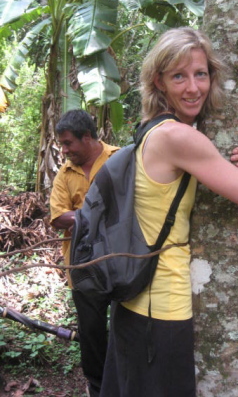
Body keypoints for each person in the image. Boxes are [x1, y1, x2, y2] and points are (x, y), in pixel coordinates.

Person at [100, 27, 238, 397]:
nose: (193, 87)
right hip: (160, 311)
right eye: (178, 76)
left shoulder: (152, 130)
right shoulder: (179, 138)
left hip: (133, 304)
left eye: (200, 74)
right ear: (159, 81)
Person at [49, 109, 119, 397]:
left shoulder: (119, 159)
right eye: (62, 144)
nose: (64, 150)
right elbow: (57, 217)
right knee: (91, 334)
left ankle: (126, 383)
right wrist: (99, 216)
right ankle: (98, 388)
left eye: (68, 144)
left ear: (87, 137)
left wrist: (79, 216)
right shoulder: (64, 174)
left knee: (127, 328)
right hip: (82, 266)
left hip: (122, 262)